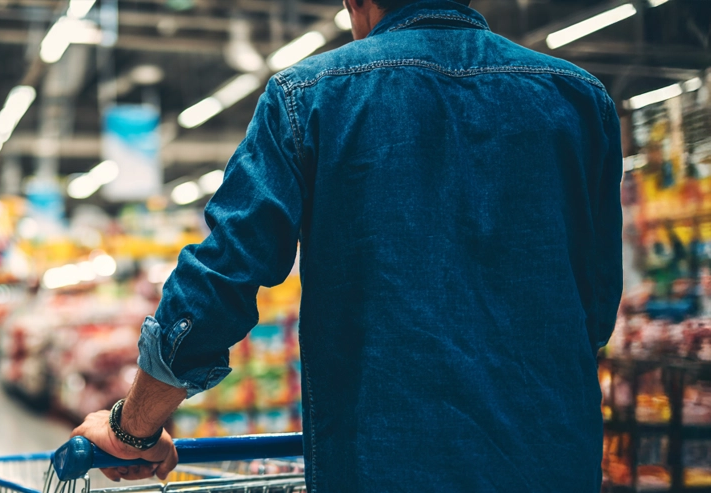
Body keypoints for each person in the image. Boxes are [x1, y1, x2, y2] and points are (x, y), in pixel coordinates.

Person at [70, 0, 623, 491]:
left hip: (384, 463)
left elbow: (219, 281)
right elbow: (593, 313)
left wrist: (132, 427)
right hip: (552, 463)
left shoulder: (308, 98)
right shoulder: (580, 101)